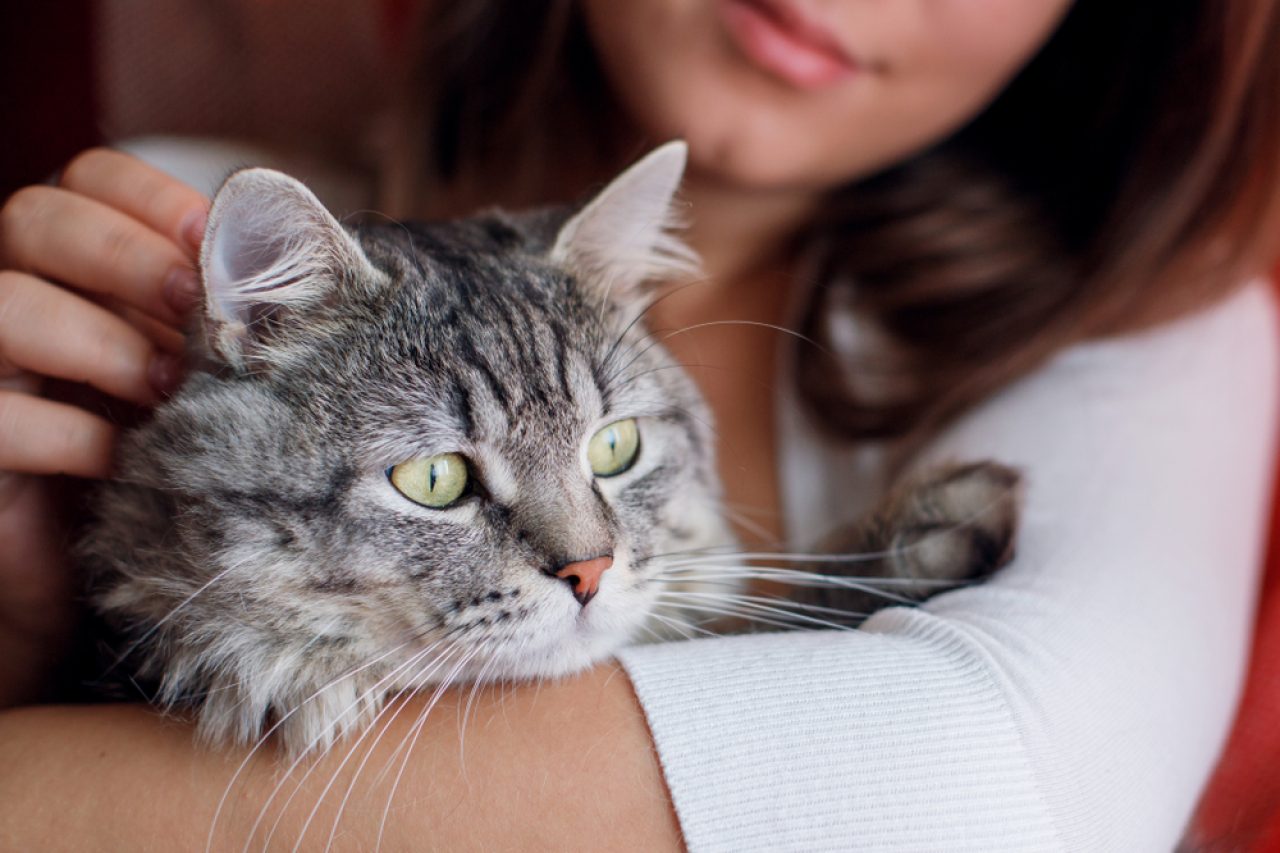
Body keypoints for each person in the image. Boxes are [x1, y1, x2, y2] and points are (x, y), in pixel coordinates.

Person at [1, 0, 1278, 847]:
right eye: (444, 476)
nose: (579, 555)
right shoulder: (156, 256)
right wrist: (35, 632)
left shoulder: (1151, 319)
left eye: (612, 453)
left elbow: (974, 789)